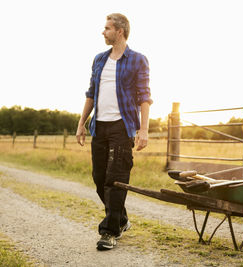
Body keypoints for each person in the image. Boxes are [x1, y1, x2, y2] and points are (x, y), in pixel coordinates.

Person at [76, 13, 152, 250]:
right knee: (99, 179)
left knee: (115, 180)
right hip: (99, 125)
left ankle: (109, 232)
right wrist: (81, 123)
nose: (103, 31)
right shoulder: (99, 59)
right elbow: (91, 93)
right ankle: (121, 218)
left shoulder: (138, 60)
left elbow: (144, 97)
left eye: (107, 28)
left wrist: (143, 130)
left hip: (122, 126)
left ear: (120, 31)